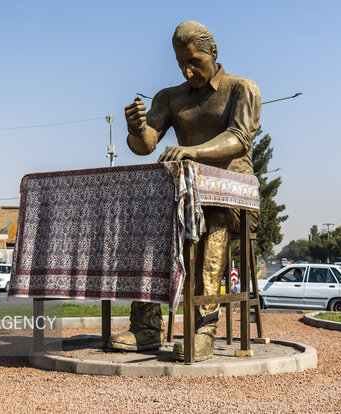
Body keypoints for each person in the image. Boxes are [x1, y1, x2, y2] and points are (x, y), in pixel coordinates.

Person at [107, 21, 261, 361]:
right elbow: (146, 145)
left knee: (214, 218)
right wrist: (136, 128)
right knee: (150, 224)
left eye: (194, 62)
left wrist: (193, 151)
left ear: (213, 53)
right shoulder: (170, 97)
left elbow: (239, 138)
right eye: (181, 64)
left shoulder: (242, 89)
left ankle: (202, 329)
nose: (188, 70)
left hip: (234, 197)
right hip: (185, 193)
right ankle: (146, 327)